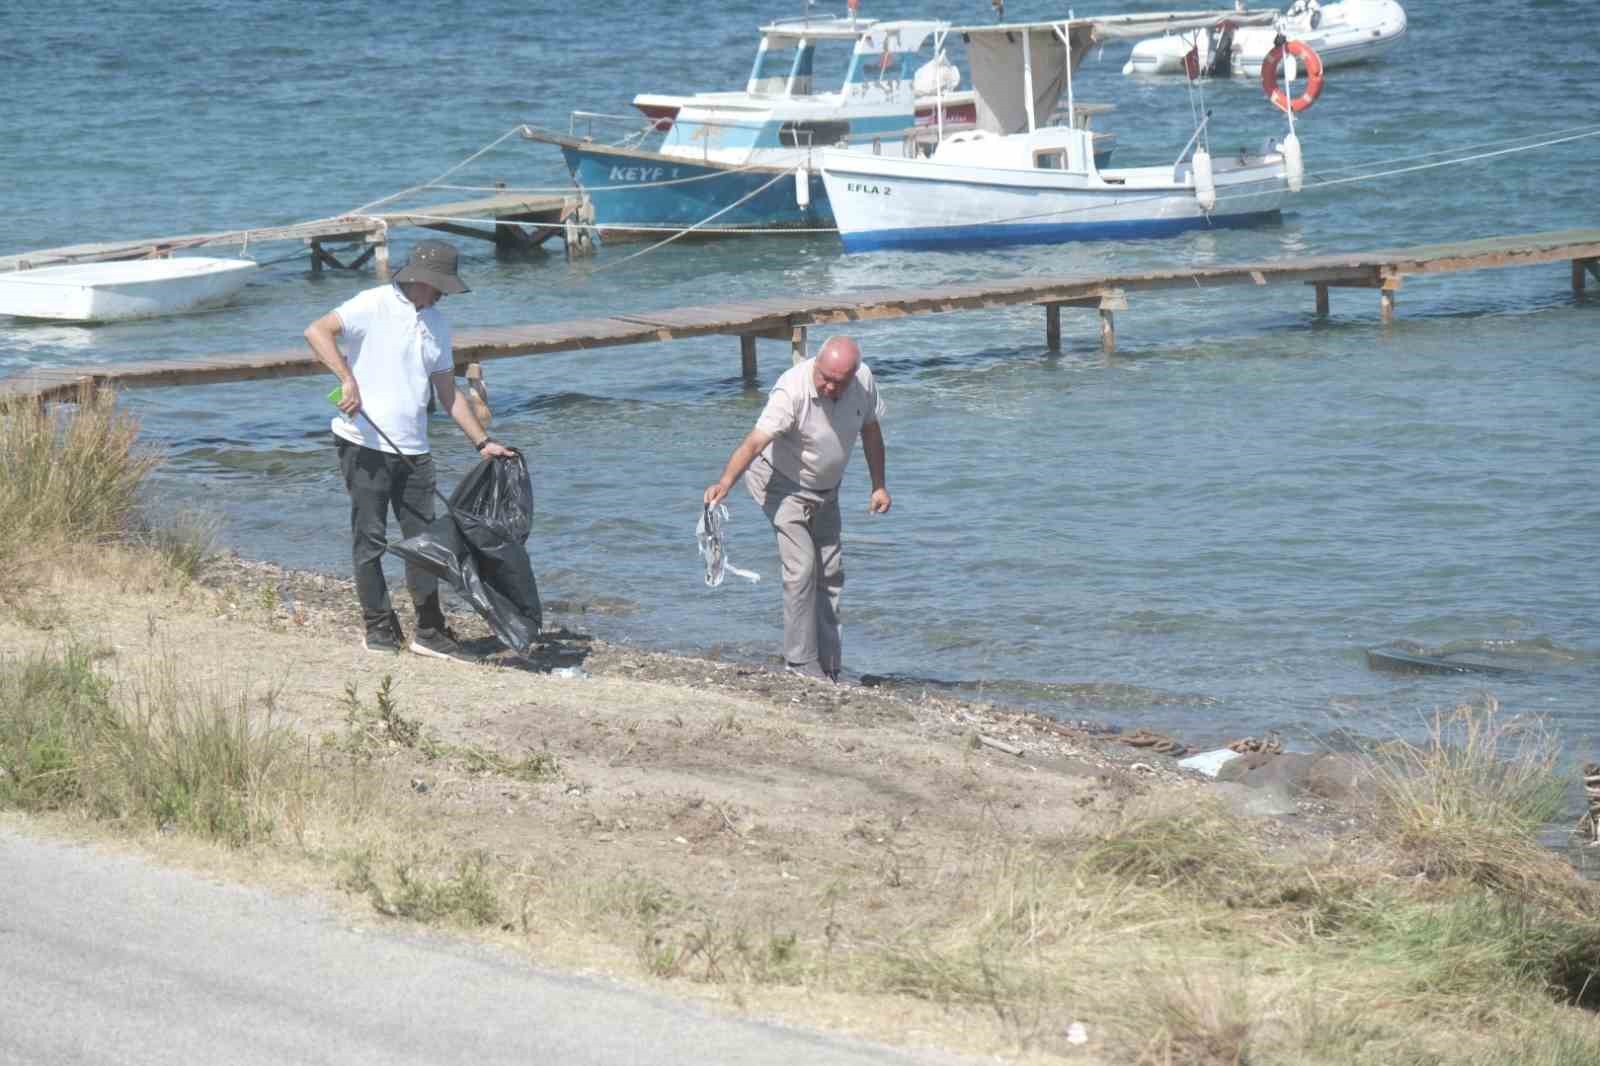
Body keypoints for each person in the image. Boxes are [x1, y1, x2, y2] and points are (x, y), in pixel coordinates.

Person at [304, 239, 515, 661]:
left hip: (415, 451)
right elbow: (317, 331)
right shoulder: (373, 303)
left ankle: (429, 631)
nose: (443, 295)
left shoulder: (437, 324)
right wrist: (347, 379)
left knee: (425, 543)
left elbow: (448, 393)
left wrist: (483, 442)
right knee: (370, 538)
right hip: (364, 443)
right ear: (421, 279)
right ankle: (378, 627)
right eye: (440, 286)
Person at [703, 335, 890, 681]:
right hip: (780, 485)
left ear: (853, 376)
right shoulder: (791, 391)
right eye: (825, 378)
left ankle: (829, 664)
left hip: (826, 490)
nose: (830, 387)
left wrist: (878, 485)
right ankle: (800, 663)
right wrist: (724, 483)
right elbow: (754, 442)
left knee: (830, 572)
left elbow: (871, 431)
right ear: (816, 363)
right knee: (802, 567)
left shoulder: (863, 381)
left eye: (839, 382)